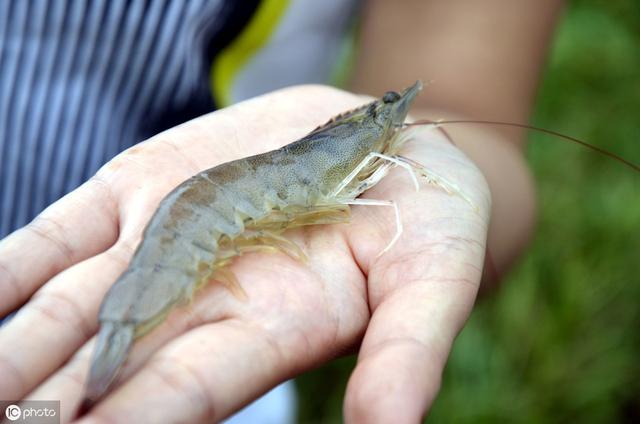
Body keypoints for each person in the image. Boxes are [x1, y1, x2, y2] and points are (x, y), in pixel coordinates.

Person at [0, 0, 563, 422]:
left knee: (44, 411)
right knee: (24, 406)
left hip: (227, 357)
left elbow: (473, 117)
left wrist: (460, 172)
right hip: (87, 245)